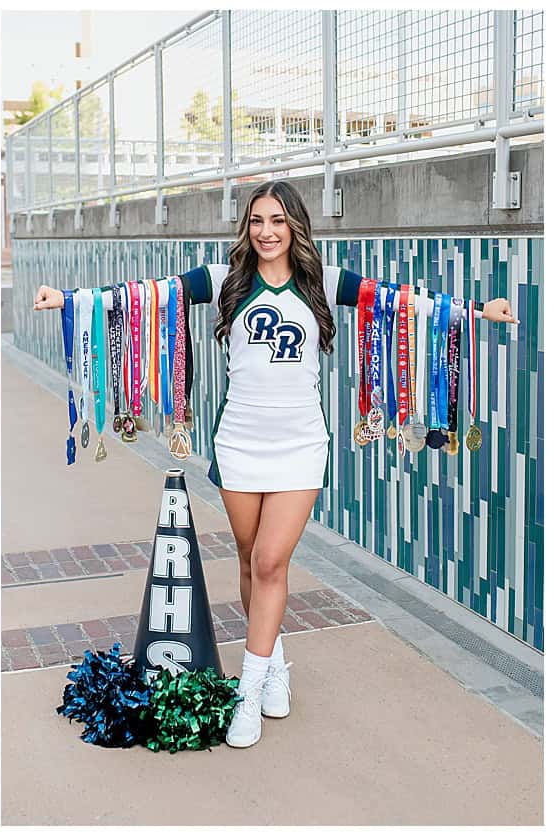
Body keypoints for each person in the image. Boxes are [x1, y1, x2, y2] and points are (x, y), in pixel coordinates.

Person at [31, 180, 516, 748]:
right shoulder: (225, 280)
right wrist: (69, 301)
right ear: (247, 226)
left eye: (278, 221)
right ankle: (275, 661)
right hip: (239, 441)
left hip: (300, 444)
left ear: (295, 228)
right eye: (257, 220)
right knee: (247, 559)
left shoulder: (322, 283)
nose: (266, 231)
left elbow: (401, 301)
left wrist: (479, 311)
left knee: (269, 562)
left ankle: (248, 693)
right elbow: (148, 295)